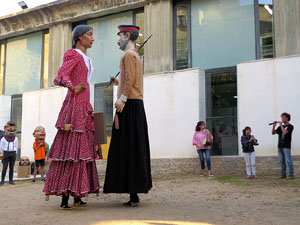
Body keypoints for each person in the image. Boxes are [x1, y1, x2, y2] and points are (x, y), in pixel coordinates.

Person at [43, 24, 100, 209]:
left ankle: (77, 193)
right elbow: (60, 76)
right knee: (71, 150)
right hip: (75, 106)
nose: (93, 38)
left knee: (82, 150)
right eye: (90, 35)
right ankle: (65, 196)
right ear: (79, 37)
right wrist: (72, 87)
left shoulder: (87, 58)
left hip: (84, 106)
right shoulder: (73, 54)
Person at [103, 24, 152, 206]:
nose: (118, 40)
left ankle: (133, 191)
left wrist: (122, 98)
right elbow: (130, 79)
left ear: (127, 36)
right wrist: (118, 82)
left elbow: (131, 80)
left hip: (129, 104)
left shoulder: (128, 55)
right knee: (131, 148)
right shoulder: (134, 56)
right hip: (133, 103)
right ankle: (133, 192)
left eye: (120, 36)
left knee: (128, 149)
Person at [272, 112, 294, 179]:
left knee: (288, 160)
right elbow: (273, 133)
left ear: (287, 118)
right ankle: (283, 174)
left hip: (286, 146)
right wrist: (274, 126)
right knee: (281, 160)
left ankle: (291, 174)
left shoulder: (290, 126)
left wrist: (281, 125)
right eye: (281, 117)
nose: (282, 119)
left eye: (283, 117)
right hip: (280, 146)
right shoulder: (280, 127)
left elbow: (285, 132)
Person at [0, 121, 18, 186]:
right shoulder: (3, 138)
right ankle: (2, 180)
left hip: (13, 153)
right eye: (10, 127)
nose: (11, 129)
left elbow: (16, 146)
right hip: (6, 153)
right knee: (4, 167)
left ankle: (11, 180)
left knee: (12, 167)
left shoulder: (15, 138)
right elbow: (1, 147)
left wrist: (15, 152)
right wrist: (4, 153)